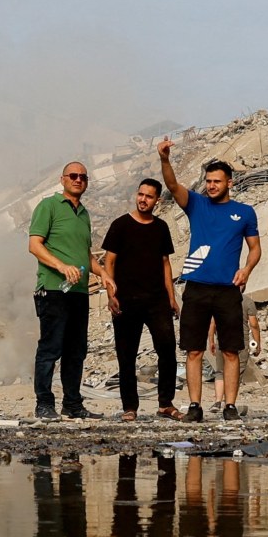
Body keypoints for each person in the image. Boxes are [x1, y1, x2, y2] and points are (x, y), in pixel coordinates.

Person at [157, 138, 261, 422]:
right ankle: (194, 406)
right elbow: (173, 186)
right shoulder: (197, 205)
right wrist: (165, 160)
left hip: (228, 290)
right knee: (194, 349)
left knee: (230, 350)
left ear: (230, 182)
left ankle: (229, 405)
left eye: (217, 181)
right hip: (197, 287)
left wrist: (247, 270)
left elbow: (255, 249)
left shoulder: (245, 212)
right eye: (209, 181)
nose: (212, 185)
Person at [98, 178, 179, 420]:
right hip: (126, 301)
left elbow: (166, 264)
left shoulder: (161, 227)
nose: (143, 200)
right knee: (126, 355)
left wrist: (171, 297)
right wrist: (111, 294)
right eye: (141, 194)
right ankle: (129, 407)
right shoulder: (120, 225)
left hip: (156, 301)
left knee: (167, 349)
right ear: (137, 194)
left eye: (149, 196)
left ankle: (166, 403)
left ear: (158, 200)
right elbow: (108, 261)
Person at [27, 162, 99, 419]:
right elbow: (34, 245)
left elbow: (86, 254)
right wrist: (61, 265)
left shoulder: (85, 214)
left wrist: (107, 276)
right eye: (73, 176)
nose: (78, 180)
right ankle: (44, 403)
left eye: (83, 177)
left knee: (76, 350)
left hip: (79, 291)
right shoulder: (48, 206)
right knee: (50, 348)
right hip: (54, 289)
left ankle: (72, 403)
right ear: (63, 179)